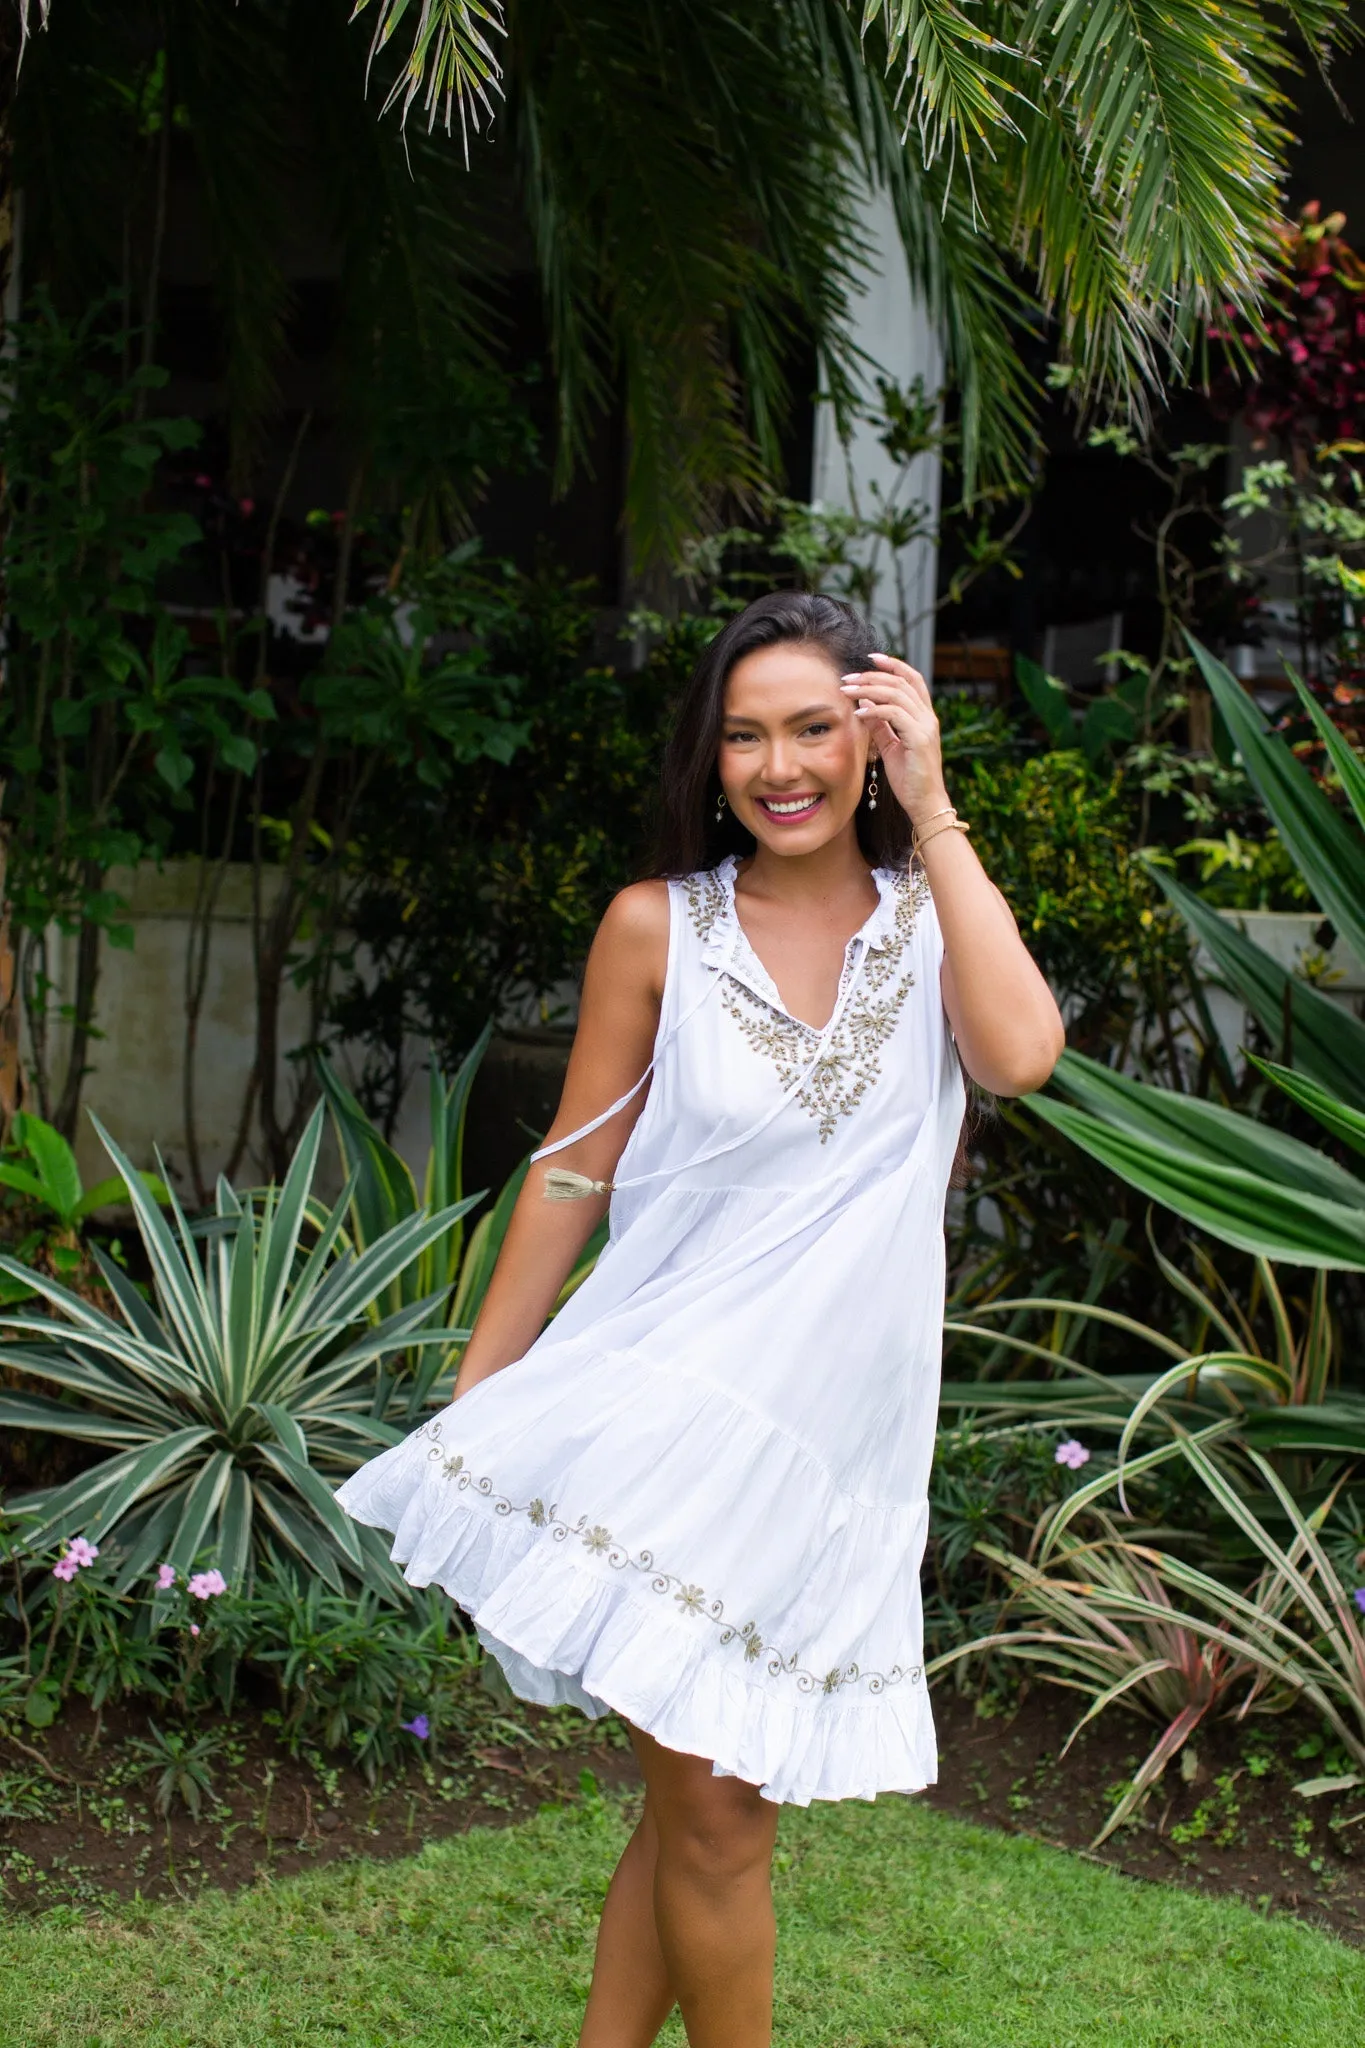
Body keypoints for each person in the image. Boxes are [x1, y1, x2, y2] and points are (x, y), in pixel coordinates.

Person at [336, 591, 1065, 2048]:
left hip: (829, 1448)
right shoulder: (656, 927)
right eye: (745, 735)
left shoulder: (934, 923)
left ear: (870, 739)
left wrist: (935, 808)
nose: (778, 766)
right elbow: (570, 1167)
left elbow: (1024, 1054)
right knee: (720, 1814)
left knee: (702, 1805)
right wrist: (485, 1389)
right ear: (710, 756)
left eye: (812, 728)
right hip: (670, 1411)